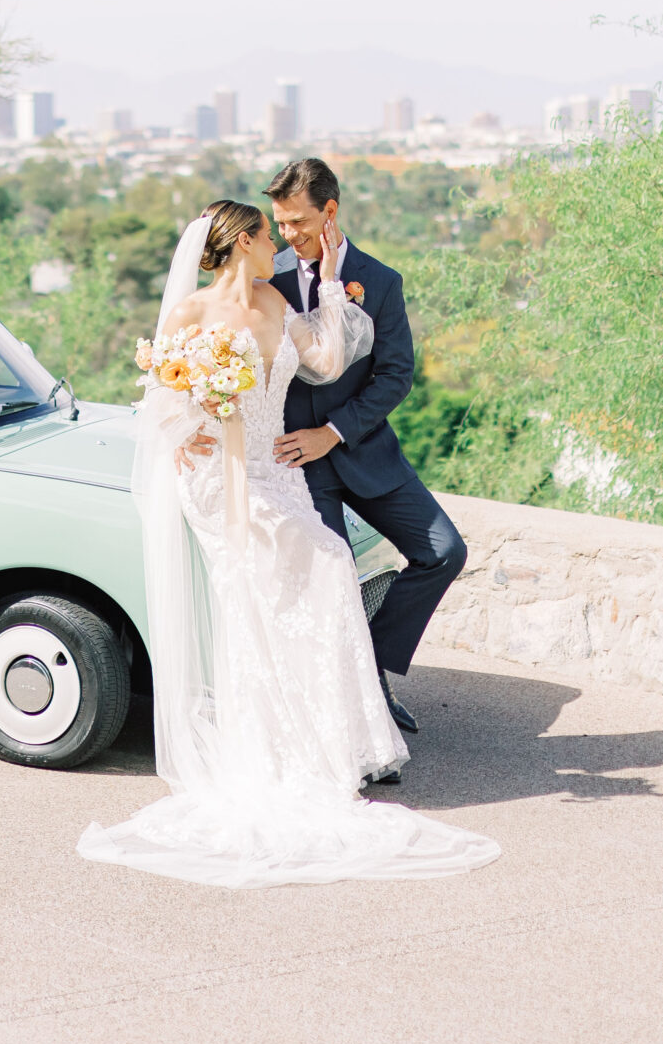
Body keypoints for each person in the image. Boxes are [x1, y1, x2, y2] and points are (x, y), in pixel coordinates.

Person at [76, 199, 499, 888]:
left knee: (321, 572)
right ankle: (271, 749)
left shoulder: (275, 301)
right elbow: (160, 404)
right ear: (241, 241)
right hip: (219, 480)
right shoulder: (189, 314)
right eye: (267, 233)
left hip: (278, 472)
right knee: (282, 587)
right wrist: (193, 425)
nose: (276, 243)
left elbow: (328, 362)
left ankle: (315, 743)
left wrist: (330, 282)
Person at [265, 156, 467, 739]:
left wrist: (334, 431)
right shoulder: (265, 279)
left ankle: (370, 665)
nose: (289, 235)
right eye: (281, 224)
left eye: (299, 222)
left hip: (366, 450)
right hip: (297, 466)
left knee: (444, 552)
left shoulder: (379, 281)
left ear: (330, 211)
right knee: (335, 586)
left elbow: (395, 374)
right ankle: (354, 713)